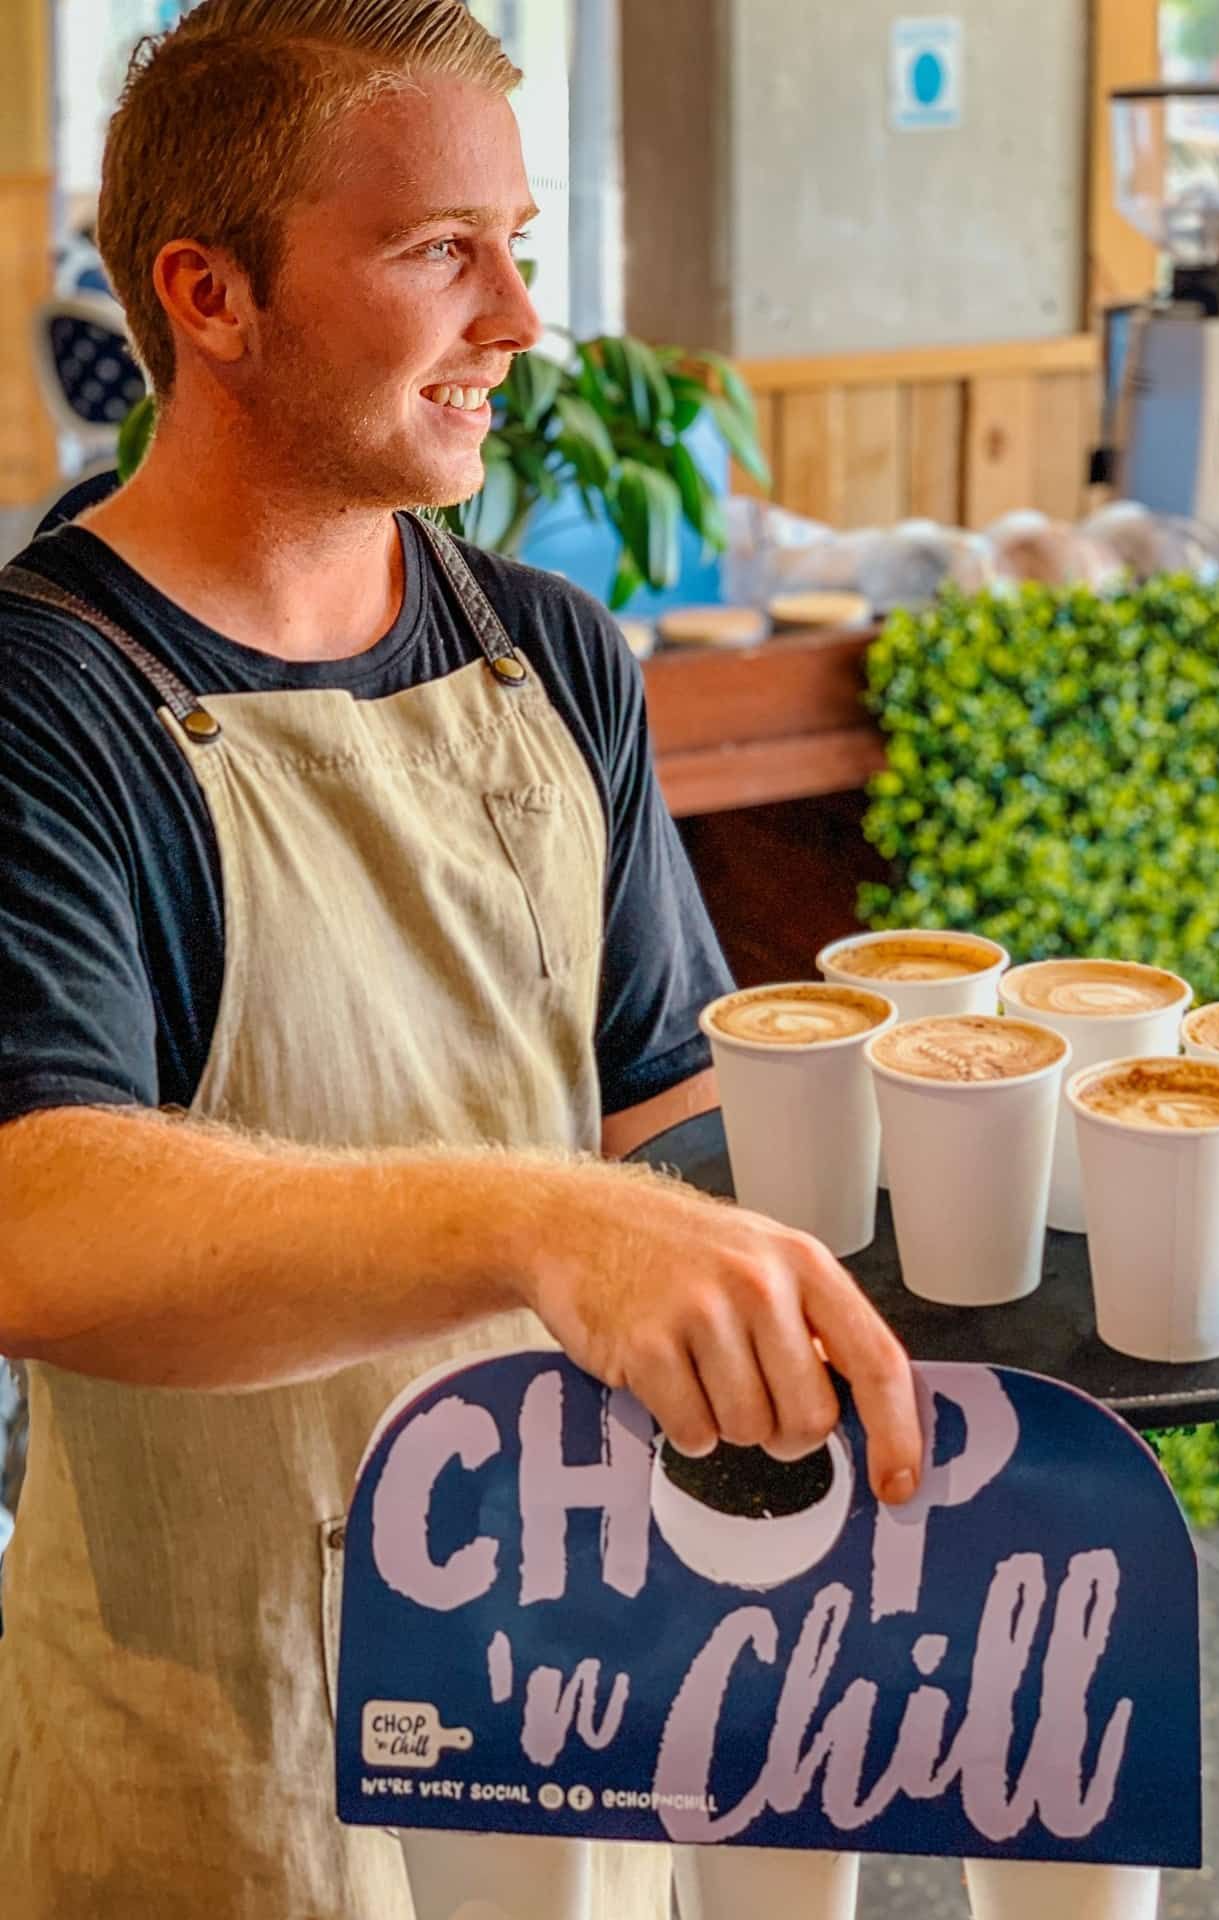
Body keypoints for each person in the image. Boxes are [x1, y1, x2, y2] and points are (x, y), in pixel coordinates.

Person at [0, 3, 924, 1915]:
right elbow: (35, 1217)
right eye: (440, 251)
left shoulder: (550, 649)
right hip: (231, 1763)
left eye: (521, 246)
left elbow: (657, 1104)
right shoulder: (47, 698)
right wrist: (539, 1227)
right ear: (211, 293)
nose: (517, 321)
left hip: (571, 1715)